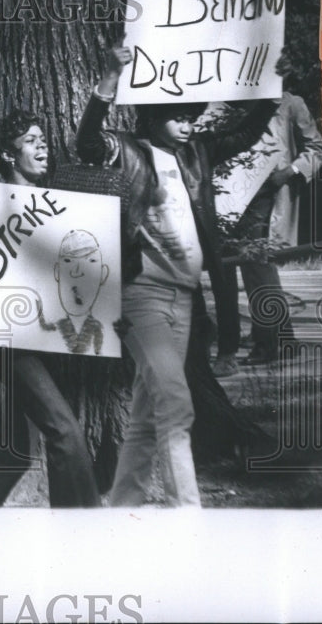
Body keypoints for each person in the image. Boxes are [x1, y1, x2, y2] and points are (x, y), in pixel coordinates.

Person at [77, 47, 279, 507]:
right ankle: (189, 514)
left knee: (148, 417)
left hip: (185, 297)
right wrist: (110, 74)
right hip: (140, 295)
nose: (188, 124)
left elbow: (244, 133)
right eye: (177, 117)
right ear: (152, 118)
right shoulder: (127, 151)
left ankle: (121, 508)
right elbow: (87, 142)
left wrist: (271, 90)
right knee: (176, 405)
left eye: (192, 116)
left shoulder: (197, 152)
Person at [0, 109, 101, 507]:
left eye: (42, 138)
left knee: (17, 449)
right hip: (11, 344)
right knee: (66, 433)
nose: (43, 145)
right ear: (10, 155)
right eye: (31, 141)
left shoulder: (58, 205)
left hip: (48, 338)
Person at [213, 90, 322, 374]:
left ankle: (269, 342)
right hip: (226, 190)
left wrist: (288, 173)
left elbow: (317, 149)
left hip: (266, 192)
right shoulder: (226, 98)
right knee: (230, 267)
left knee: (257, 266)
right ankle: (279, 340)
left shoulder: (290, 103)